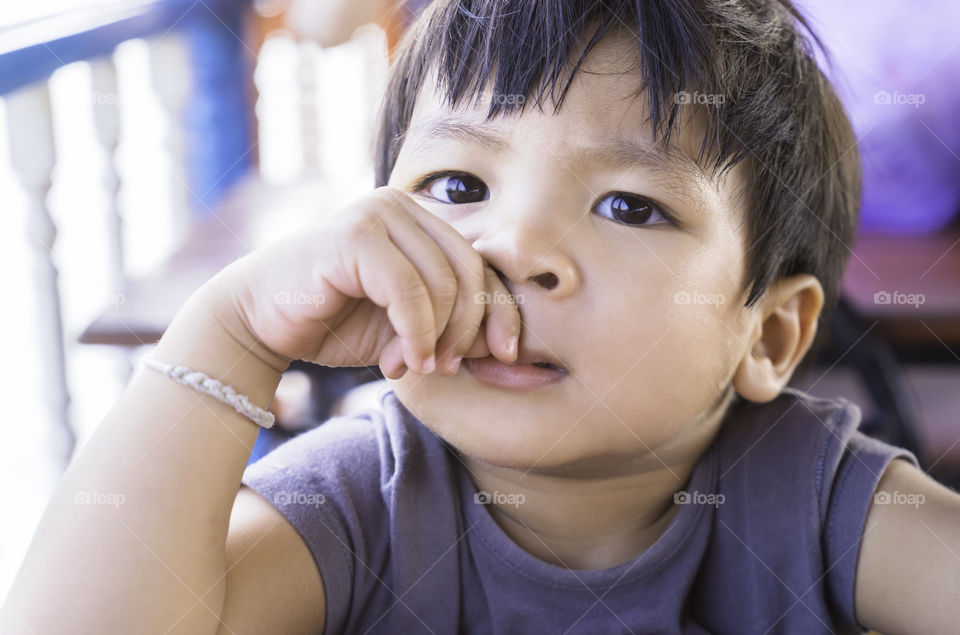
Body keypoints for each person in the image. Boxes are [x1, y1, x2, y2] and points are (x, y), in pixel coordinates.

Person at [3, 1, 958, 633]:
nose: (513, 247)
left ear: (769, 335)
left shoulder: (808, 494)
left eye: (631, 205)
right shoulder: (360, 499)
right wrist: (231, 337)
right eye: (458, 183)